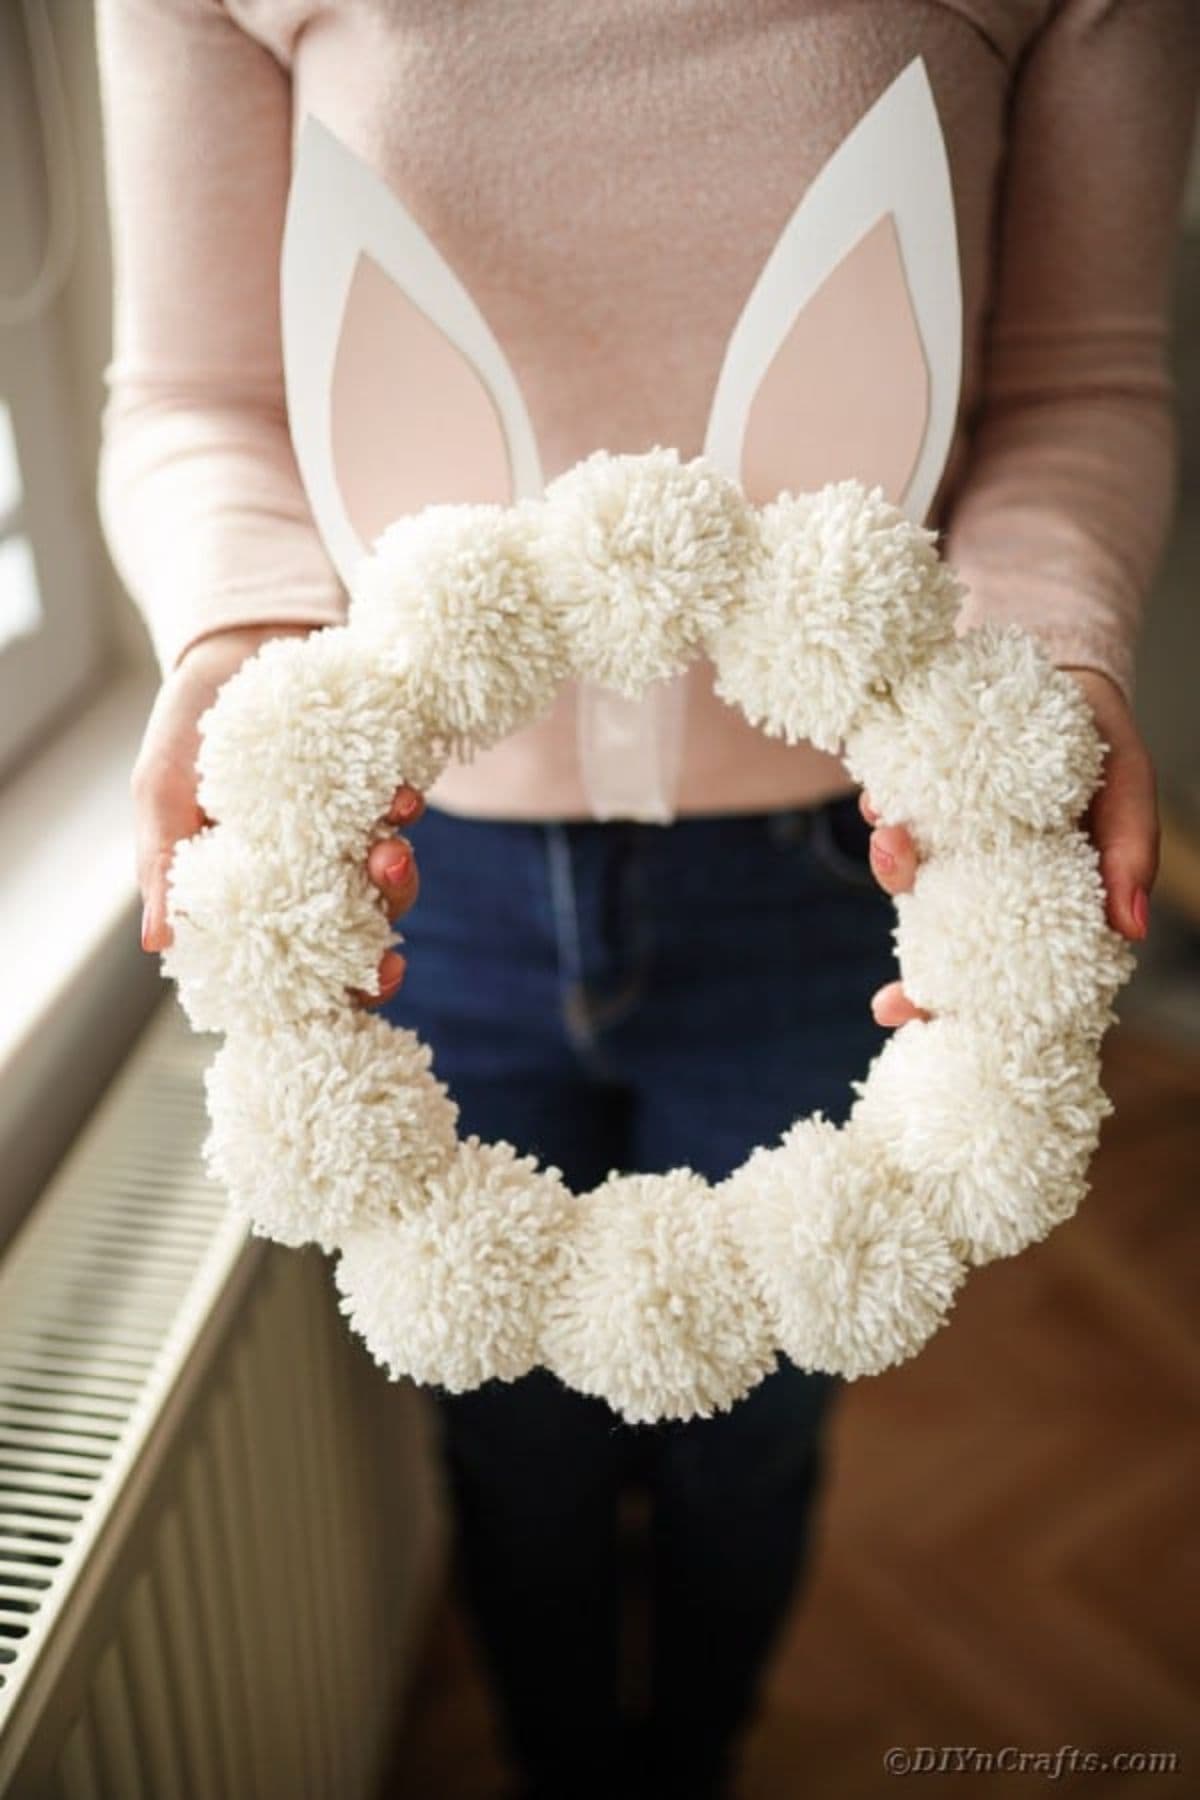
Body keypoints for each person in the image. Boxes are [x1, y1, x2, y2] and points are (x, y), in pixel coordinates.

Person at [94, 4, 1198, 1795]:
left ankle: (691, 1762)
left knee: (754, 1440)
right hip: (407, 867)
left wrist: (1037, 675)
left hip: (835, 873)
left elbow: (1079, 383)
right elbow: (197, 398)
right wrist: (243, 643)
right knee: (503, 1432)